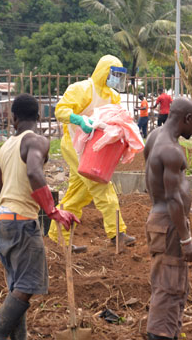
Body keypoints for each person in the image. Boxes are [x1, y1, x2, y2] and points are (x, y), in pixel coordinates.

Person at [0, 94, 79, 340]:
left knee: (17, 287)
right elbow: (35, 174)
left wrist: (3, 222)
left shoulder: (4, 147)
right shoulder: (37, 141)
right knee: (26, 288)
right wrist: (53, 211)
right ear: (38, 117)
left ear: (13, 118)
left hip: (2, 222)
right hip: (22, 222)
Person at [48, 55, 135, 249]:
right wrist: (79, 120)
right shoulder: (81, 89)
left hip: (95, 147)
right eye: (113, 74)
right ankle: (117, 233)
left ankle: (57, 238)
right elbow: (60, 111)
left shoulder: (113, 96)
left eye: (119, 76)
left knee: (79, 194)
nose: (116, 79)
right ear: (104, 71)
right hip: (74, 144)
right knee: (101, 184)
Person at [143, 98, 192, 340]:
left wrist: (187, 207)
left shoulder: (155, 136)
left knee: (170, 286)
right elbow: (173, 197)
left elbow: (156, 183)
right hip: (169, 225)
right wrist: (186, 239)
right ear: (187, 119)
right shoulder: (171, 150)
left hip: (161, 219)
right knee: (169, 288)